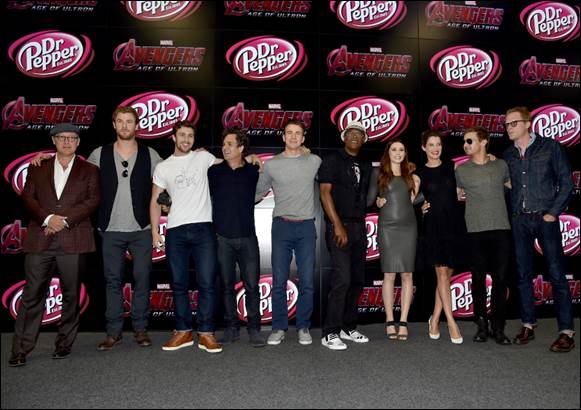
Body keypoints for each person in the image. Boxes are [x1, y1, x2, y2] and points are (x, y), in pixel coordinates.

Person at [9, 124, 100, 367]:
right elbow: (28, 198)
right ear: (54, 140)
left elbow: (93, 200)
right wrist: (48, 219)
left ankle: (64, 344)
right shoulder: (38, 166)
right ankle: (20, 349)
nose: (67, 142)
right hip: (41, 239)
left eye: (72, 138)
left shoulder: (90, 170)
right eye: (62, 137)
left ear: (78, 142)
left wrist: (63, 221)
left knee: (71, 295)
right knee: (31, 295)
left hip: (74, 239)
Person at [503, 106, 575, 352]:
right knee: (523, 274)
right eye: (507, 124)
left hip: (545, 218)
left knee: (556, 273)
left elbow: (566, 182)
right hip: (520, 220)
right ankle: (528, 325)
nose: (509, 128)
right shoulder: (508, 155)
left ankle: (566, 331)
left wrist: (553, 212)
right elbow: (506, 186)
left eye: (513, 123)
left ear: (527, 123)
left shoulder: (550, 147)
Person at [150, 121, 225, 353]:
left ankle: (206, 333)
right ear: (173, 137)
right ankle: (183, 331)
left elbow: (231, 162)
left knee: (207, 283)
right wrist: (155, 231)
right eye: (182, 135)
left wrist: (251, 158)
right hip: (175, 231)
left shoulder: (203, 157)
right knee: (179, 283)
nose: (186, 139)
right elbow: (155, 201)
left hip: (204, 229)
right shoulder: (163, 167)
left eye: (190, 136)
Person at [255, 119, 322, 346]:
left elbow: (330, 183)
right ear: (283, 137)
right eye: (289, 132)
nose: (293, 136)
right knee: (279, 281)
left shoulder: (314, 161)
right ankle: (278, 328)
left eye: (297, 133)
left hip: (306, 227)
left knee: (307, 281)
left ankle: (303, 327)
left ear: (303, 138)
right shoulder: (272, 165)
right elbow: (256, 193)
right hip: (281, 227)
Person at [208, 128, 265, 348]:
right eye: (224, 144)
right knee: (226, 286)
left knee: (252, 286)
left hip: (248, 238)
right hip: (222, 239)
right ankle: (231, 328)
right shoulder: (214, 172)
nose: (225, 148)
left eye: (230, 144)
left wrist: (253, 159)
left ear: (241, 148)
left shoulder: (253, 171)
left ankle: (254, 329)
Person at [318, 121, 372, 350]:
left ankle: (348, 327)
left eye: (359, 134)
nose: (354, 136)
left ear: (363, 140)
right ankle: (330, 332)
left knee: (357, 280)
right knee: (342, 280)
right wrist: (337, 225)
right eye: (350, 133)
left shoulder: (366, 164)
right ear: (344, 137)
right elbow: (325, 193)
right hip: (339, 227)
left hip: (360, 227)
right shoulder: (332, 160)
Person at [455, 126, 511, 345]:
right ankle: (481, 326)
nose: (465, 145)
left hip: (501, 229)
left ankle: (498, 328)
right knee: (477, 279)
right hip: (474, 231)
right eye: (464, 141)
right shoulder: (461, 170)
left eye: (469, 141)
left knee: (500, 279)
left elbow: (513, 188)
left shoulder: (501, 165)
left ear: (484, 142)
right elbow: (452, 195)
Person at [416, 130, 465, 344]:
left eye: (438, 145)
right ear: (424, 147)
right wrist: (420, 206)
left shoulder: (452, 167)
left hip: (454, 225)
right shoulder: (419, 173)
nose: (435, 149)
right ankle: (451, 322)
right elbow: (411, 198)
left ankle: (434, 318)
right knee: (442, 275)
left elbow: (463, 189)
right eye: (431, 145)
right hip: (433, 227)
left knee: (445, 276)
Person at [368, 139, 420, 342]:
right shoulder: (378, 173)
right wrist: (377, 201)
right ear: (387, 152)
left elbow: (416, 199)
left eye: (401, 149)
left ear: (405, 153)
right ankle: (390, 320)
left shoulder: (411, 176)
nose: (398, 153)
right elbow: (370, 200)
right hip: (388, 227)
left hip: (408, 227)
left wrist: (424, 202)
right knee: (389, 274)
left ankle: (403, 321)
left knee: (407, 274)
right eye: (394, 149)